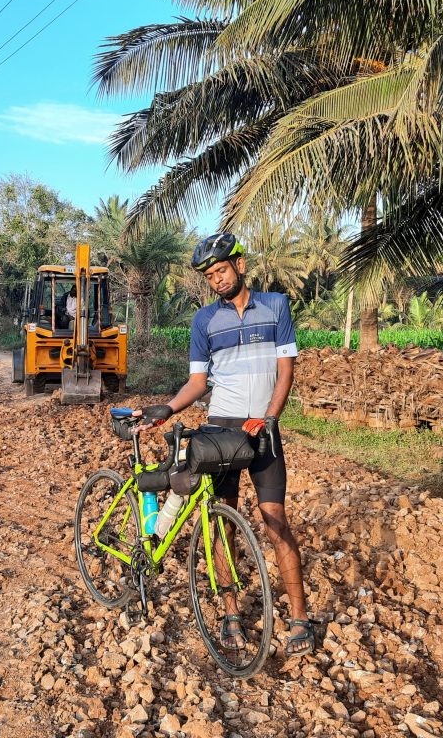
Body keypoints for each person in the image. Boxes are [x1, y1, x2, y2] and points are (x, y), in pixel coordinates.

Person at [135, 232, 315, 657]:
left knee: (275, 520)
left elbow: (285, 370)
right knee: (222, 523)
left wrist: (269, 418)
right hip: (220, 430)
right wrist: (168, 408)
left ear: (240, 265)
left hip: (263, 428)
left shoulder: (276, 306)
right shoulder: (203, 321)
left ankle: (301, 616)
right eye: (209, 275)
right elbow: (199, 383)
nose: (216, 279)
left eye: (220, 270)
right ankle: (231, 612)